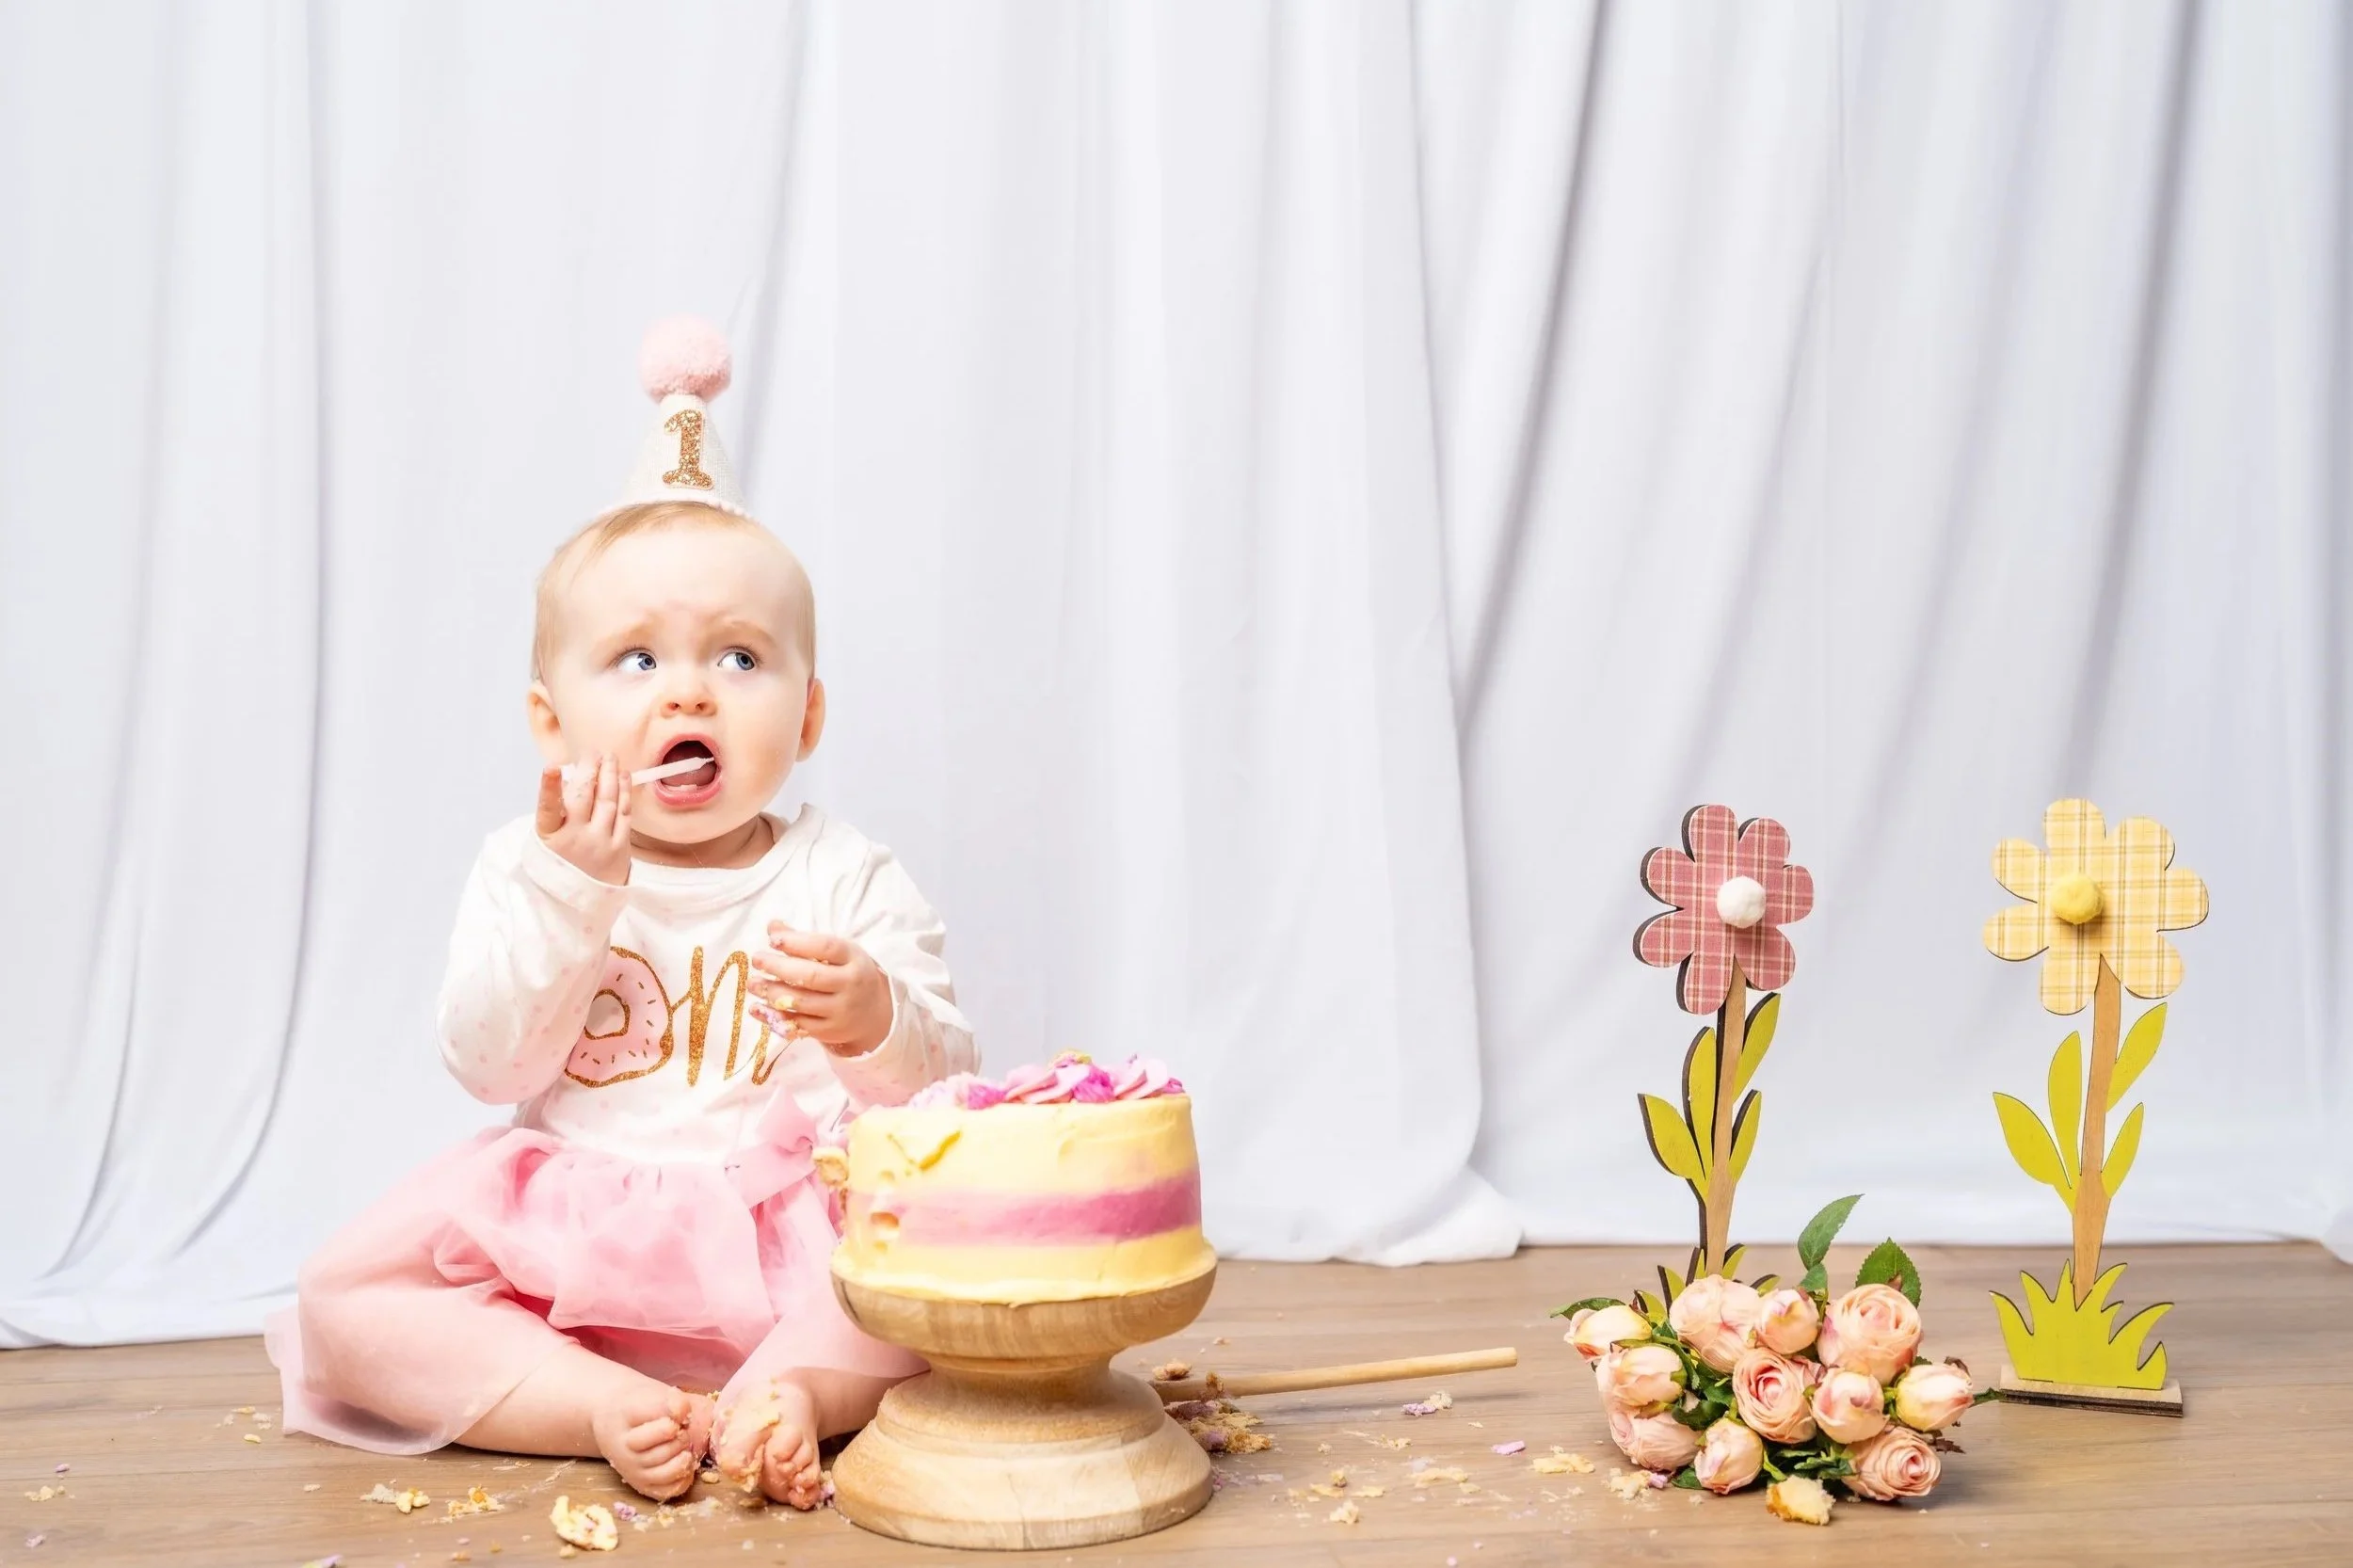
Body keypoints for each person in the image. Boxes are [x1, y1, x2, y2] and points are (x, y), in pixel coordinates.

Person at [265, 319, 973, 1508]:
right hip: (580, 1247)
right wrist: (570, 890)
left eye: (741, 660)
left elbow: (946, 1081)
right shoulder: (531, 863)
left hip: (789, 1253)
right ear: (553, 723)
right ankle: (589, 1400)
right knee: (346, 1299)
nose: (692, 687)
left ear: (806, 720)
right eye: (637, 659)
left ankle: (789, 1392)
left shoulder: (842, 872)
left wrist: (873, 1016)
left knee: (958, 1259)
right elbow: (491, 1066)